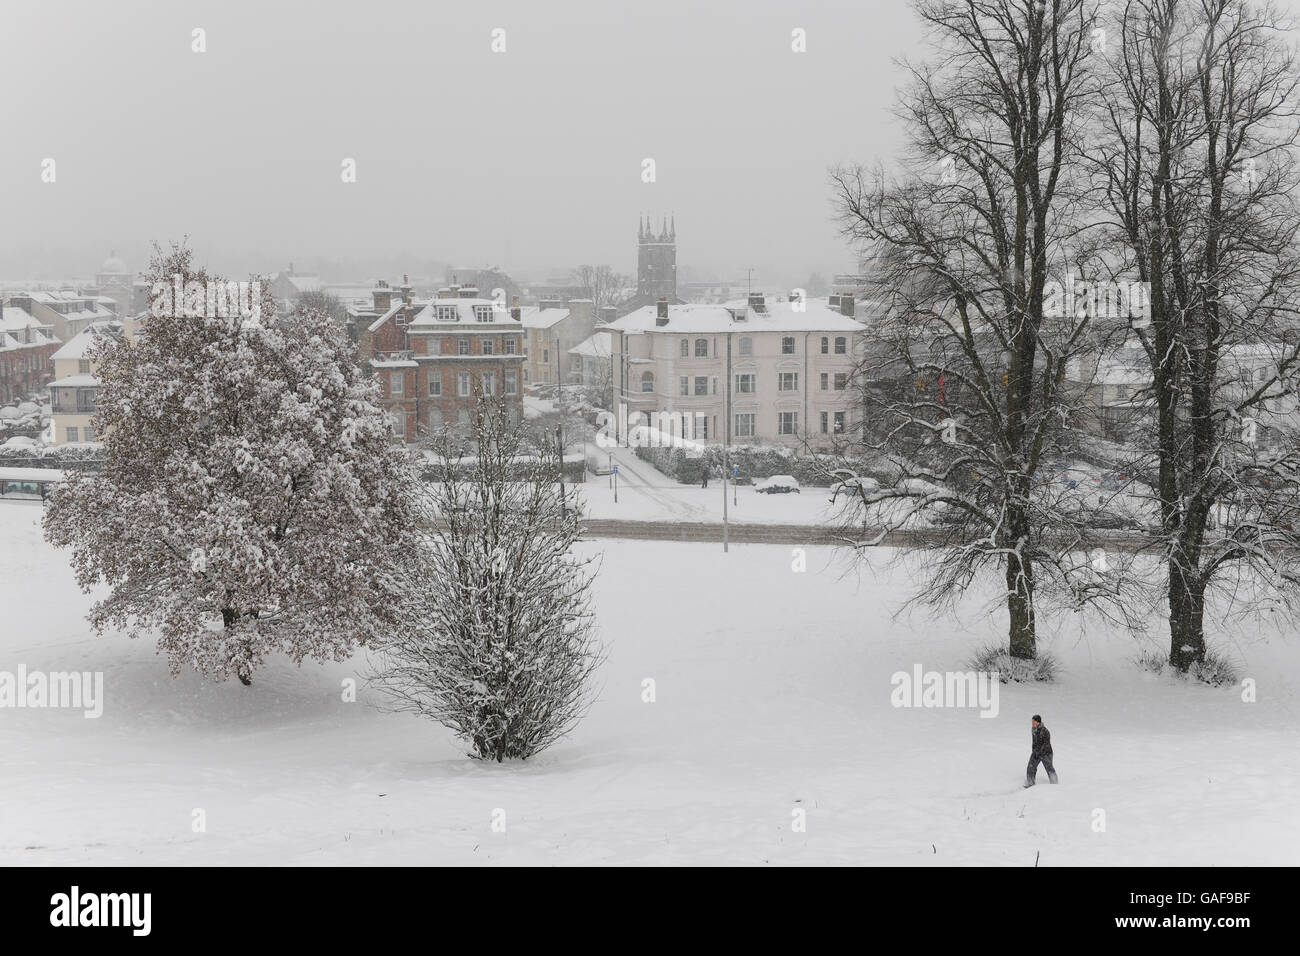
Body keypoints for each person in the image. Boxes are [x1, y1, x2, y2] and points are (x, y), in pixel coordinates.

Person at [1024, 714, 1058, 787]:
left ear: (1038, 722)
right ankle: (1030, 783)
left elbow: (1046, 744)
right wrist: (1034, 752)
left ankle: (1055, 784)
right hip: (1036, 752)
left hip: (1046, 753)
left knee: (1049, 768)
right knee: (1031, 767)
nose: (1032, 723)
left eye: (1034, 721)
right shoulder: (1033, 729)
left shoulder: (1045, 731)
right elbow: (1034, 742)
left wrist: (1039, 753)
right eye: (1032, 721)